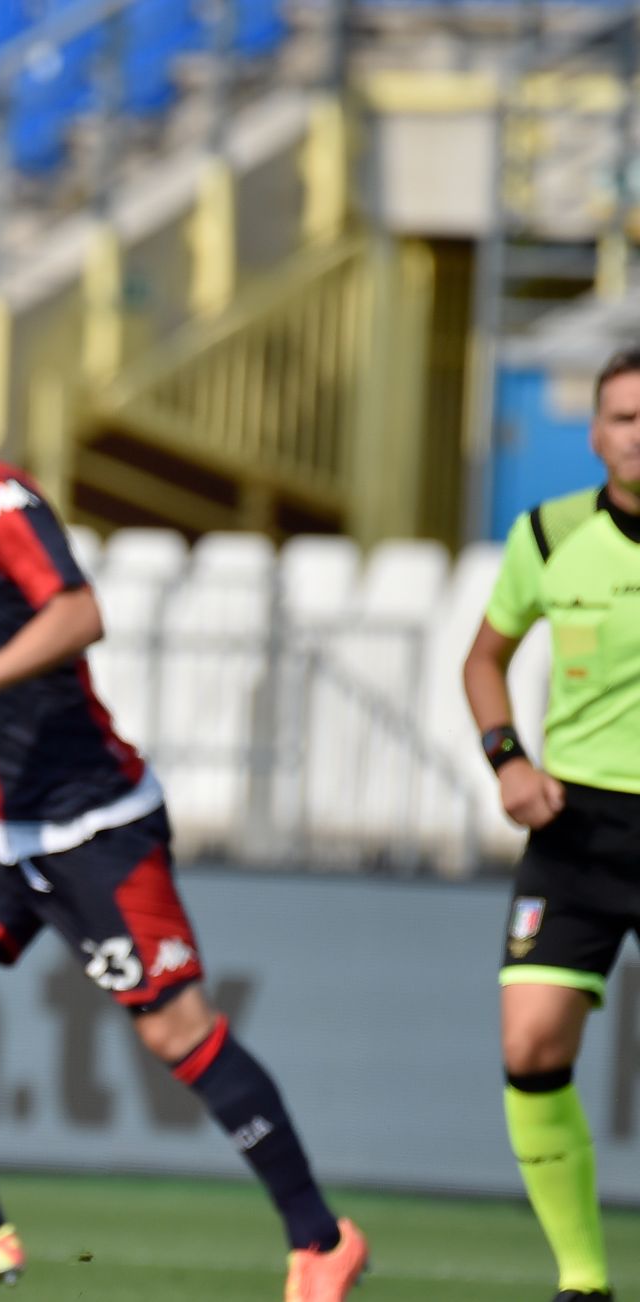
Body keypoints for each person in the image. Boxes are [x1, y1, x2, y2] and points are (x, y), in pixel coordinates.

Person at [0, 339, 369, 1302]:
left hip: (95, 822)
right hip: (7, 824)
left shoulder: (2, 503)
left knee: (180, 1034)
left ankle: (321, 1239)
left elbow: (78, 615)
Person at [462, 346, 640, 1302]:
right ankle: (583, 1281)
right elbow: (484, 659)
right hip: (578, 825)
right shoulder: (549, 531)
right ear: (596, 433)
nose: (637, 436)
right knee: (531, 1046)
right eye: (623, 417)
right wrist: (507, 759)